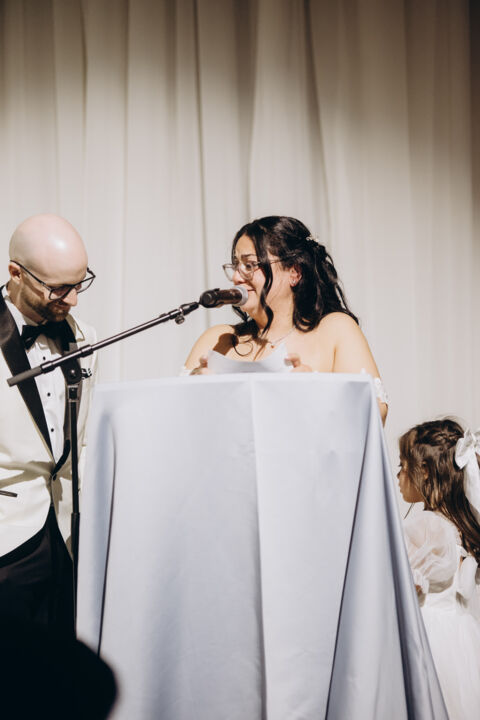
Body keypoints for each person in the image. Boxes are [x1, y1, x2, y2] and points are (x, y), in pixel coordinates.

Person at [185, 215, 387, 422]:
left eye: (250, 265)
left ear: (294, 273)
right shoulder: (218, 340)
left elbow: (375, 413)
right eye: (236, 265)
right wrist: (194, 393)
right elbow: (178, 416)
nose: (237, 277)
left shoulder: (335, 330)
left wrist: (316, 392)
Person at [0, 213, 97, 634]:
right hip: (5, 540)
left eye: (79, 284)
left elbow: (83, 440)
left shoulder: (85, 337)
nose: (72, 299)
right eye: (58, 288)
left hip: (65, 537)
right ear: (15, 273)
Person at [397, 419, 480, 720]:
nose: (398, 475)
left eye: (403, 465)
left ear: (425, 471)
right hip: (461, 647)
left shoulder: (427, 526)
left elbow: (394, 582)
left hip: (427, 641)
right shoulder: (463, 530)